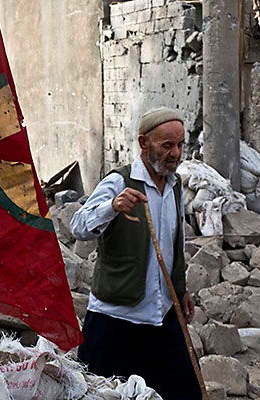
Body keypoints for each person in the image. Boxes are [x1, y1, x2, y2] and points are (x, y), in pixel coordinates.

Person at [71, 107, 200, 399]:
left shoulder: (175, 186)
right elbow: (78, 226)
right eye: (167, 145)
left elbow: (173, 246)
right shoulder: (119, 182)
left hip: (163, 315)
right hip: (116, 318)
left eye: (180, 144)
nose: (176, 153)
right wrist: (112, 207)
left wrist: (180, 289)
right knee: (100, 394)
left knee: (184, 392)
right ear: (144, 143)